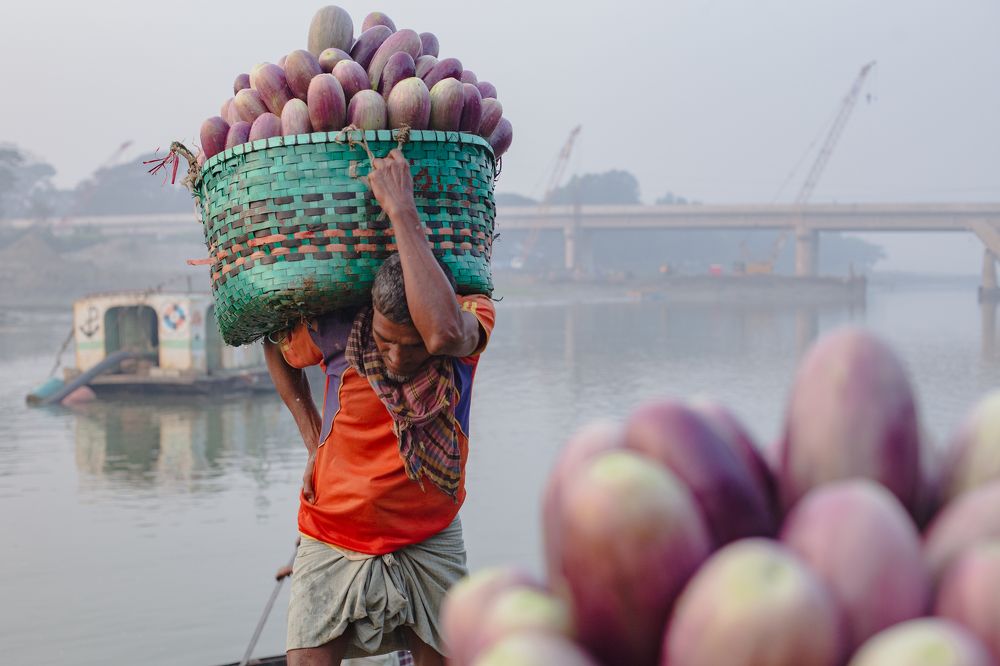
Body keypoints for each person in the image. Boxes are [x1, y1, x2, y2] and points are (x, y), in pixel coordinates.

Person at [263, 148, 496, 666]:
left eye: (409, 346)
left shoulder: (468, 318)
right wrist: (312, 439)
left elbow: (440, 331)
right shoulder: (338, 330)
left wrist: (401, 209)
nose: (395, 356)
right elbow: (271, 345)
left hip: (429, 534)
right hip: (332, 531)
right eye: (387, 341)